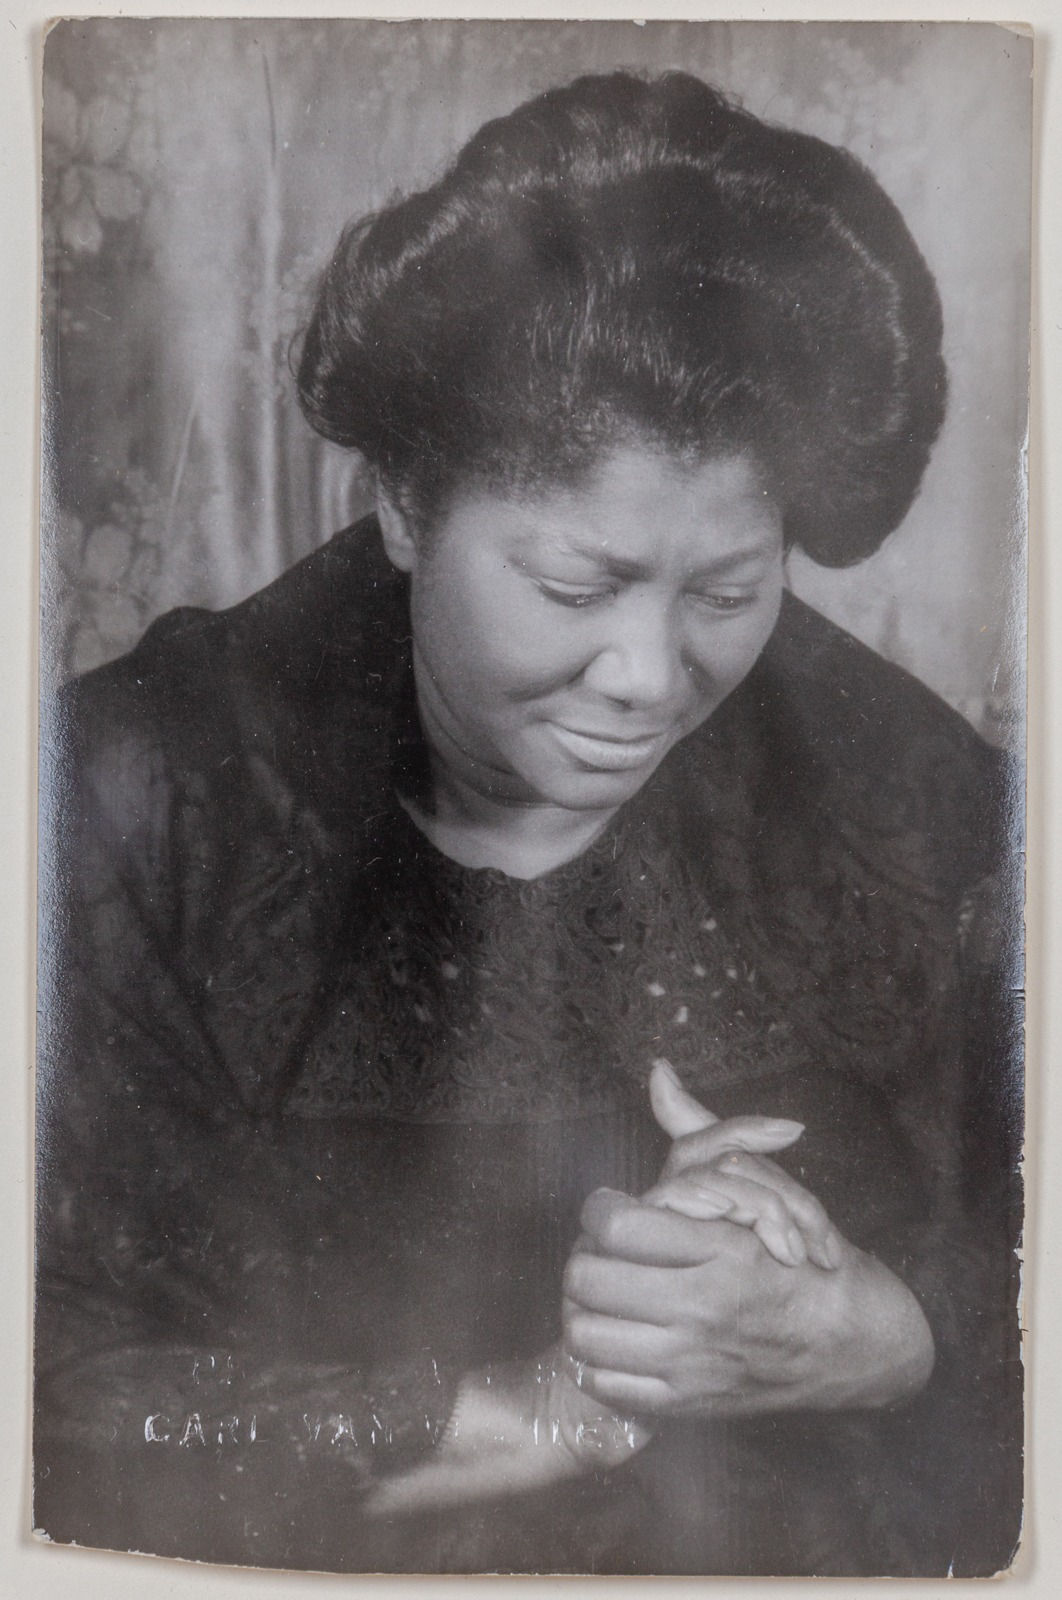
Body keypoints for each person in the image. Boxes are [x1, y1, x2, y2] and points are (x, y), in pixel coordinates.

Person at [34, 69, 1022, 1576]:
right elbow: (51, 1410)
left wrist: (883, 1335)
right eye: (573, 588)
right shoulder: (135, 802)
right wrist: (570, 1406)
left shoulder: (912, 804)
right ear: (403, 509)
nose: (646, 677)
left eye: (726, 592)